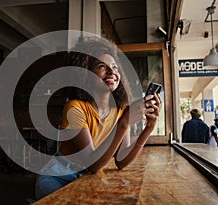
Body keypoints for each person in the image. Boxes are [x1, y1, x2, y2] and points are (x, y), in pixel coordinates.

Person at [35, 36, 161, 200]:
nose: (112, 72)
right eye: (102, 66)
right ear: (85, 73)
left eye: (115, 67)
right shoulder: (74, 108)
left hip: (88, 176)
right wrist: (124, 123)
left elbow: (121, 161)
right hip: (58, 176)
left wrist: (148, 129)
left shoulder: (120, 110)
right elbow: (92, 163)